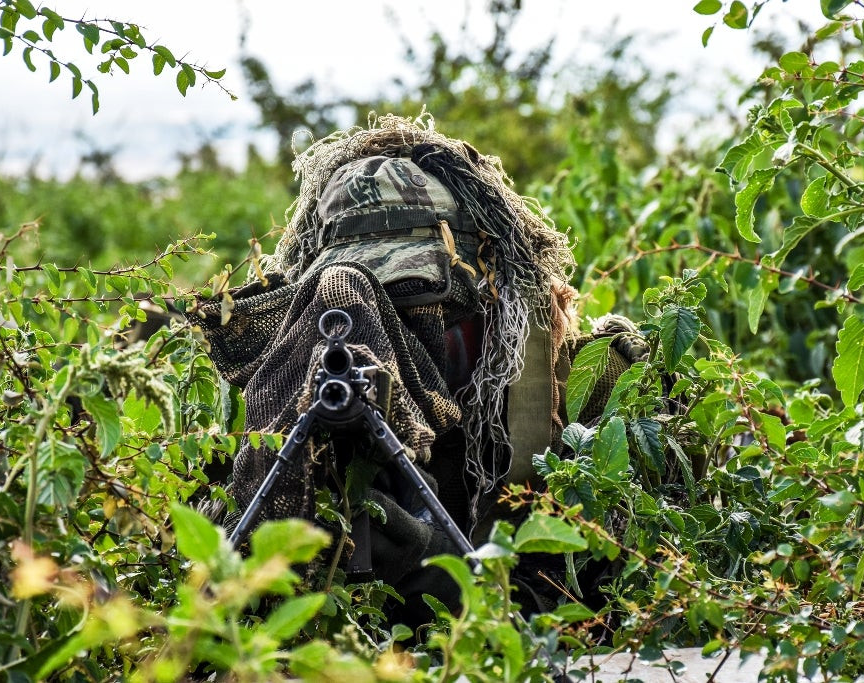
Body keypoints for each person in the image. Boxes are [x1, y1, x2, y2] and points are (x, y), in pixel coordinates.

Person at [189, 113, 647, 621]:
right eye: (371, 308)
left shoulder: (591, 385)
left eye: (414, 297)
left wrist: (422, 564)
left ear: (491, 276)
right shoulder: (278, 386)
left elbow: (615, 597)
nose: (382, 334)